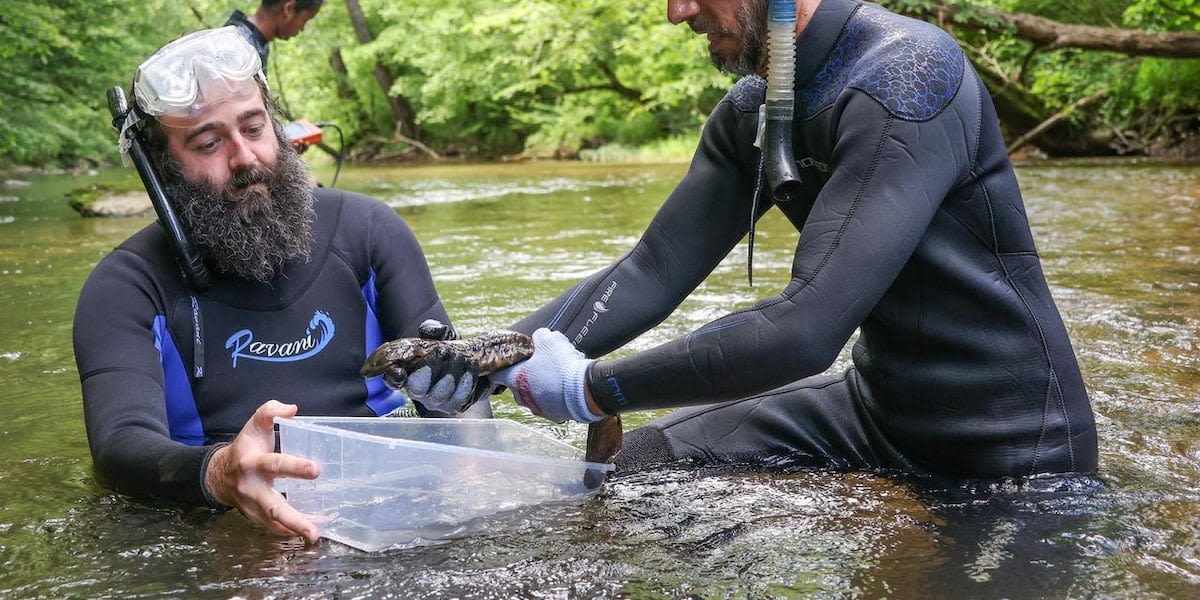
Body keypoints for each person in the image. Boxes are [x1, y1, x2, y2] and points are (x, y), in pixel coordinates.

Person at [408, 0, 1099, 480]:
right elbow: (653, 266)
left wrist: (594, 388)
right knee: (638, 466)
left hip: (1013, 450)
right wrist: (484, 361)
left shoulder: (906, 81)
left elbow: (806, 329)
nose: (676, 13)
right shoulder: (753, 111)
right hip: (874, 414)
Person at [73, 26, 485, 545]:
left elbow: (457, 392)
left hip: (394, 507)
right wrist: (220, 474)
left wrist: (473, 484)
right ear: (161, 167)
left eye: (254, 127)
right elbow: (119, 447)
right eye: (209, 142)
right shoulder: (125, 287)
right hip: (222, 529)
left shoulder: (369, 232)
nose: (244, 157)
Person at [224, 0, 324, 78]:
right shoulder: (239, 49)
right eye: (305, 20)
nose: (302, 29)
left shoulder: (255, 43)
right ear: (288, 9)